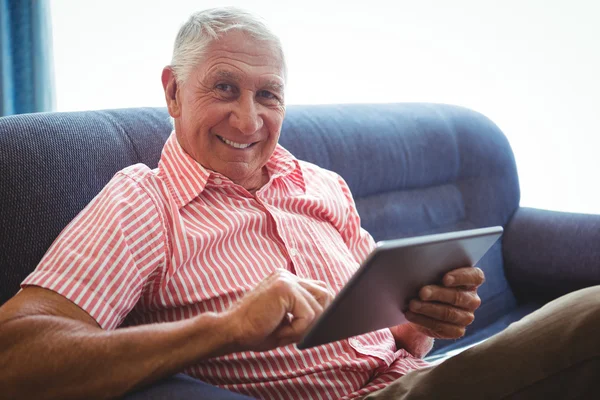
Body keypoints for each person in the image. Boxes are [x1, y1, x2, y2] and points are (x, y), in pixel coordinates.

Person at [0, 7, 598, 400]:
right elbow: (14, 361)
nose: (248, 118)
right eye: (224, 88)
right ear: (174, 91)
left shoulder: (322, 185)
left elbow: (394, 330)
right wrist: (225, 328)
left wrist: (421, 321)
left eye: (268, 95)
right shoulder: (143, 203)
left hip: (423, 376)